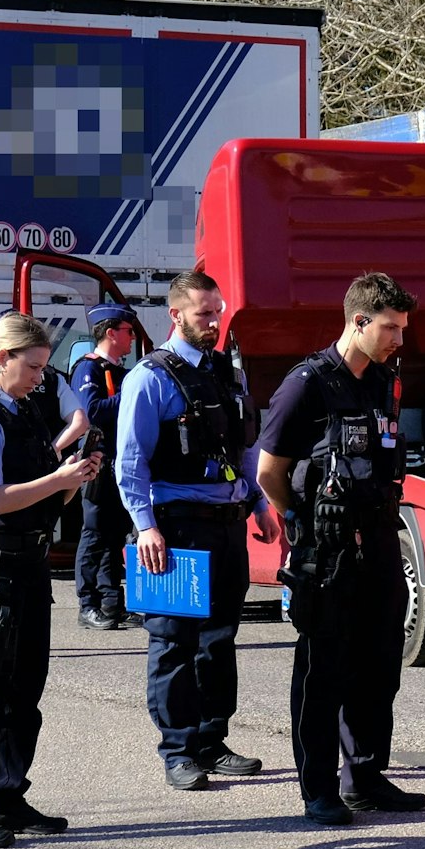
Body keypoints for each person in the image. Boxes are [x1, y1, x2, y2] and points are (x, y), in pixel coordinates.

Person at [257, 272, 425, 826]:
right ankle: (319, 789)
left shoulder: (381, 380)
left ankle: (366, 778)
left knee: (380, 666)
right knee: (324, 670)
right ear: (358, 321)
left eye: (403, 327)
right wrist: (301, 520)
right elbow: (269, 471)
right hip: (327, 552)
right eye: (391, 327)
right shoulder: (307, 383)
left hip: (378, 540)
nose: (400, 338)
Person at [0, 312, 100, 848]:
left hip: (28, 560)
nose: (40, 377)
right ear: (2, 359)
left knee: (24, 689)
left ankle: (7, 796)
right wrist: (57, 477)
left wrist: (74, 478)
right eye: (32, 366)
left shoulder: (25, 411)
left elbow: (44, 493)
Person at [116, 270, 280, 791]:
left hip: (227, 524)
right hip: (175, 527)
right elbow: (130, 463)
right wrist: (145, 526)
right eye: (204, 313)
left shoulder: (229, 374)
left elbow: (244, 448)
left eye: (217, 311)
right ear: (177, 315)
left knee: (219, 640)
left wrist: (257, 501)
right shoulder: (151, 377)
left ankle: (212, 740)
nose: (214, 321)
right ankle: (179, 750)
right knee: (173, 640)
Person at [71, 303, 141, 630]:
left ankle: (112, 601)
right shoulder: (89, 369)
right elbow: (92, 411)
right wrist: (130, 393)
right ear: (111, 333)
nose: (132, 338)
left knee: (114, 534)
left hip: (118, 465)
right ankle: (88, 604)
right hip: (97, 464)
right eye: (128, 332)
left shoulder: (121, 370)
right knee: (94, 533)